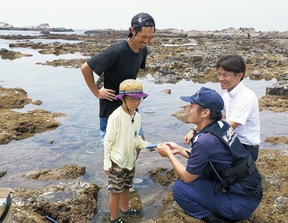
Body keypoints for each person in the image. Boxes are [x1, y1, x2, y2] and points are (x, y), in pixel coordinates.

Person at [157, 87, 262, 222]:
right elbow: (207, 158)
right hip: (251, 193)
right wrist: (179, 150)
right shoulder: (221, 126)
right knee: (199, 174)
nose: (187, 109)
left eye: (191, 106)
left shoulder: (205, 140)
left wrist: (169, 155)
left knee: (180, 188)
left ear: (205, 112)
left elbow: (188, 177)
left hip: (240, 204)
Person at [80, 12, 156, 144]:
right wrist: (96, 92)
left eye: (150, 37)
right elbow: (85, 68)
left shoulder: (143, 50)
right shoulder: (117, 50)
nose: (146, 41)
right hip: (111, 107)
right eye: (144, 36)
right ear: (132, 30)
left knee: (138, 142)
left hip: (130, 105)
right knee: (114, 149)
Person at [184, 54, 260, 161]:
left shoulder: (246, 97)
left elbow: (228, 127)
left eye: (225, 75)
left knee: (202, 150)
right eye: (219, 74)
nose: (220, 79)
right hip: (231, 142)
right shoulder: (228, 93)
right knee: (201, 148)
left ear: (239, 75)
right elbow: (213, 114)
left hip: (245, 148)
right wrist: (193, 130)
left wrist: (202, 138)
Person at [104, 79, 150, 223]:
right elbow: (108, 141)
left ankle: (125, 211)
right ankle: (114, 218)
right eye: (132, 99)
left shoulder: (137, 116)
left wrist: (147, 145)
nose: (136, 103)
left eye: (139, 99)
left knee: (126, 188)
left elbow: (136, 139)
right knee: (115, 192)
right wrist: (107, 162)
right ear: (122, 98)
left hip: (130, 161)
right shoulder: (116, 117)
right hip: (117, 162)